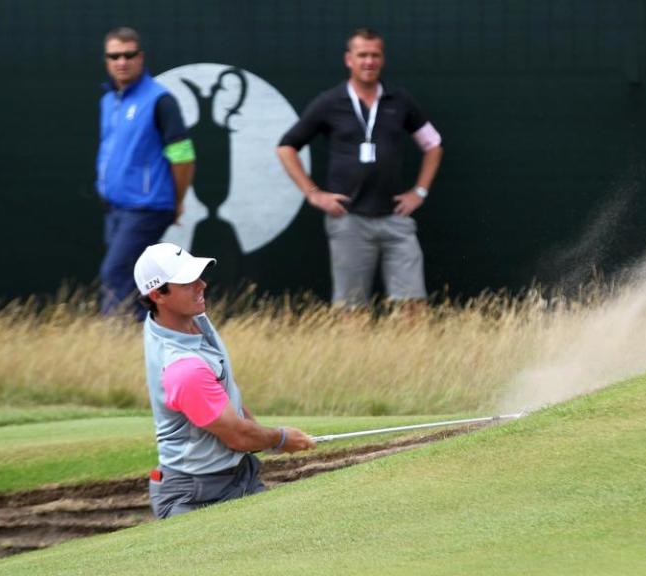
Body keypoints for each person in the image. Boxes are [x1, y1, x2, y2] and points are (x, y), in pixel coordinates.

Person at [135, 242, 315, 519]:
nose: (202, 285)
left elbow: (227, 397)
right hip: (194, 496)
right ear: (158, 294)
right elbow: (237, 436)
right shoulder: (183, 368)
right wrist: (280, 438)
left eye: (198, 276)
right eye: (187, 282)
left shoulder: (190, 318)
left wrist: (256, 431)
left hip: (239, 475)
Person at [277, 27, 444, 307]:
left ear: (382, 59)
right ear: (349, 59)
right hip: (349, 217)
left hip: (395, 217)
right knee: (351, 307)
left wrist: (420, 191)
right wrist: (313, 193)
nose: (369, 61)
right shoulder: (330, 102)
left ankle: (410, 352)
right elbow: (286, 147)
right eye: (362, 55)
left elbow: (433, 144)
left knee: (412, 304)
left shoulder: (399, 100)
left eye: (375, 55)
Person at [97, 27, 196, 318]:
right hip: (115, 207)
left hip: (148, 206)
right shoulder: (108, 100)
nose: (122, 62)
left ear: (141, 57)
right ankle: (148, 339)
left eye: (129, 55)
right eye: (114, 56)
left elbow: (184, 156)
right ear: (107, 60)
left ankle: (116, 342)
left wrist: (176, 200)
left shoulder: (159, 100)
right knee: (138, 278)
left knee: (115, 271)